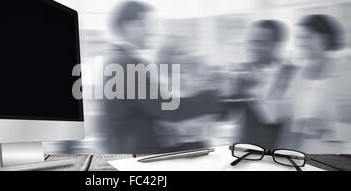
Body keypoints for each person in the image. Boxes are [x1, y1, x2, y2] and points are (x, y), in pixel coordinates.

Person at [100, 1, 224, 153]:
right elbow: (169, 108)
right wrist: (215, 96)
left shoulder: (117, 59)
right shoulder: (125, 64)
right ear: (130, 26)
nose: (151, 32)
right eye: (147, 24)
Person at [279, 14, 351, 153]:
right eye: (299, 38)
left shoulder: (345, 73)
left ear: (325, 39)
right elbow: (288, 121)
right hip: (299, 154)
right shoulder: (298, 75)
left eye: (308, 37)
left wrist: (327, 127)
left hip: (333, 155)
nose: (301, 43)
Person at [224, 20, 296, 148]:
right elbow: (227, 114)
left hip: (277, 151)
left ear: (276, 45)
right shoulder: (242, 70)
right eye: (251, 42)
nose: (253, 47)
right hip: (245, 149)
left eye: (260, 43)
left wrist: (252, 86)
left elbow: (273, 117)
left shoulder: (289, 73)